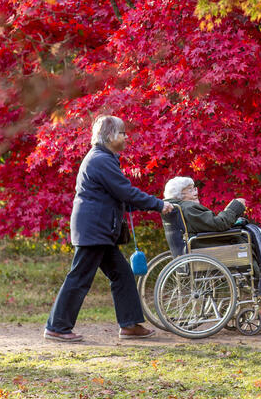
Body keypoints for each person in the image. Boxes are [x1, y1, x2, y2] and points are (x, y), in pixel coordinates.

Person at [44, 115, 176, 343]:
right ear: (110, 136)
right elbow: (125, 192)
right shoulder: (100, 160)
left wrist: (149, 205)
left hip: (99, 230)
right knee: (79, 277)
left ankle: (130, 325)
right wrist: (158, 204)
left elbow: (118, 196)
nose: (126, 137)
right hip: (94, 230)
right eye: (123, 133)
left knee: (122, 274)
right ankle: (57, 327)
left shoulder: (104, 159)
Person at [162, 176, 261, 314]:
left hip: (197, 249)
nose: (196, 191)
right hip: (208, 249)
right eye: (191, 189)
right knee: (250, 244)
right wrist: (235, 206)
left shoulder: (176, 209)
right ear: (181, 194)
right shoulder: (189, 208)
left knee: (248, 241)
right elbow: (219, 224)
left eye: (194, 188)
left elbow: (211, 224)